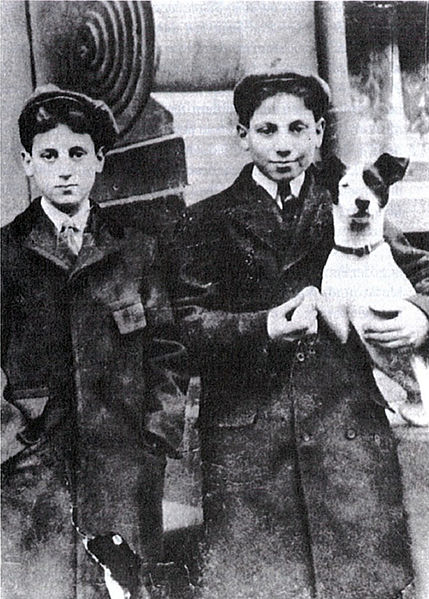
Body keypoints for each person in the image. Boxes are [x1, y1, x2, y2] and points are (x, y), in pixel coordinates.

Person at [172, 72, 429, 598]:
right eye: (267, 130)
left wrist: (423, 316)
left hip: (346, 441)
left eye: (297, 128)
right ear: (242, 133)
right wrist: (262, 325)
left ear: (318, 134)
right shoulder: (206, 221)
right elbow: (183, 328)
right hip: (251, 453)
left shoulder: (353, 201)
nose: (284, 144)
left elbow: (421, 273)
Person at [1, 85, 186, 599]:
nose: (64, 169)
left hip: (124, 472)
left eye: (78, 154)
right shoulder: (6, 255)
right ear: (26, 162)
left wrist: (156, 438)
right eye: (49, 155)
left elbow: (167, 352)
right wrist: (12, 446)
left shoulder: (136, 250)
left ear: (99, 160)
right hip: (34, 475)